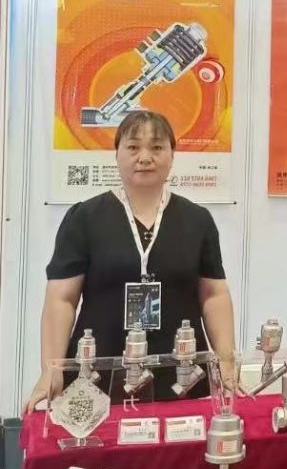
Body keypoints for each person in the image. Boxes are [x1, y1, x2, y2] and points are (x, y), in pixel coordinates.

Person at [22, 110, 236, 413]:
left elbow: (214, 296)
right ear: (117, 154)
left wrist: (226, 361)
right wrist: (51, 369)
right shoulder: (84, 218)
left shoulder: (197, 220)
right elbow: (62, 299)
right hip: (97, 373)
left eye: (157, 147)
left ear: (172, 155)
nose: (145, 157)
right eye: (133, 147)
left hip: (183, 373)